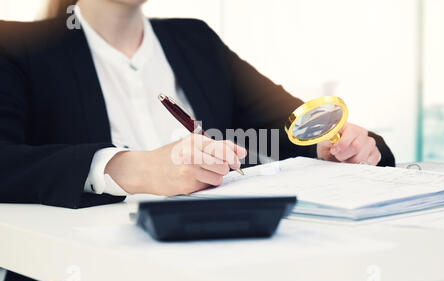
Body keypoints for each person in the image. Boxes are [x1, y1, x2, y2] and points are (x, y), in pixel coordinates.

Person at [0, 0, 395, 209]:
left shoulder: (194, 40)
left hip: (217, 268)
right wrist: (129, 169)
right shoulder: (19, 46)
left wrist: (333, 147)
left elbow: (287, 129)